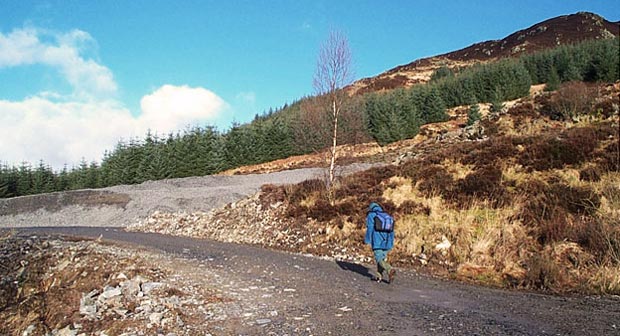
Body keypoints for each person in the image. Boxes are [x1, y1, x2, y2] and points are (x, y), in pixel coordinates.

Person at [364, 202, 396, 283]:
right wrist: (391, 242)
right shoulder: (387, 216)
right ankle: (379, 276)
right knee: (382, 258)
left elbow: (370, 228)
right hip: (387, 241)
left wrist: (367, 240)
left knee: (378, 258)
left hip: (377, 240)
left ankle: (389, 269)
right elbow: (392, 231)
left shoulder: (371, 215)